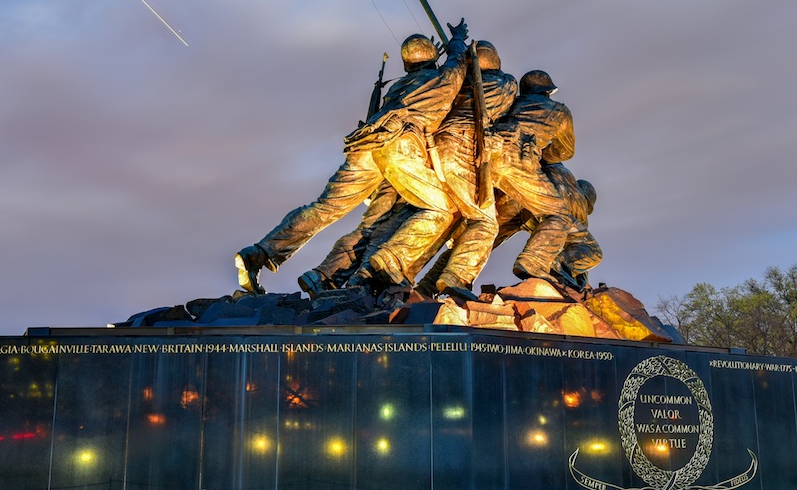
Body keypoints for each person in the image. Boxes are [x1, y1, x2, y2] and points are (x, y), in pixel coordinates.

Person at [236, 21, 470, 293]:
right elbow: (458, 60)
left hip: (366, 145)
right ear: (433, 60)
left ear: (406, 67)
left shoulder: (398, 89)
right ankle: (388, 262)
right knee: (442, 209)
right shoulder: (444, 80)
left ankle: (260, 253)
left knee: (325, 208)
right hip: (400, 148)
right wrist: (458, 38)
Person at [364, 41, 517, 298]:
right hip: (464, 149)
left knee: (444, 215)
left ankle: (395, 273)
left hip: (434, 150)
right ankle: (454, 277)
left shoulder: (455, 86)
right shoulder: (505, 84)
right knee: (485, 221)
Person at [488, 69, 576, 284]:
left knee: (483, 225)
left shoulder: (508, 103)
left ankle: (434, 279)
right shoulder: (558, 111)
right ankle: (533, 262)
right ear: (547, 92)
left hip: (485, 158)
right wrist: (541, 153)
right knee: (559, 216)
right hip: (518, 165)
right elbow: (565, 151)